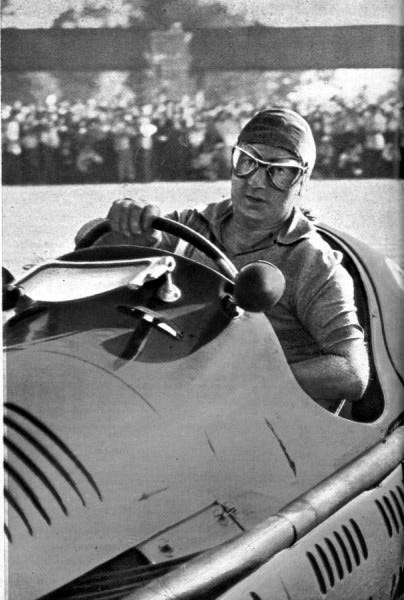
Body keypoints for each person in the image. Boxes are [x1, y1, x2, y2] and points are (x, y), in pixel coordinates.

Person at [76, 108, 369, 407]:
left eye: (278, 171)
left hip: (263, 418)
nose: (255, 181)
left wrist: (241, 379)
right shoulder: (196, 222)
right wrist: (128, 223)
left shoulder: (312, 261)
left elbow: (352, 373)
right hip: (181, 397)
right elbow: (91, 244)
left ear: (302, 180)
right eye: (247, 161)